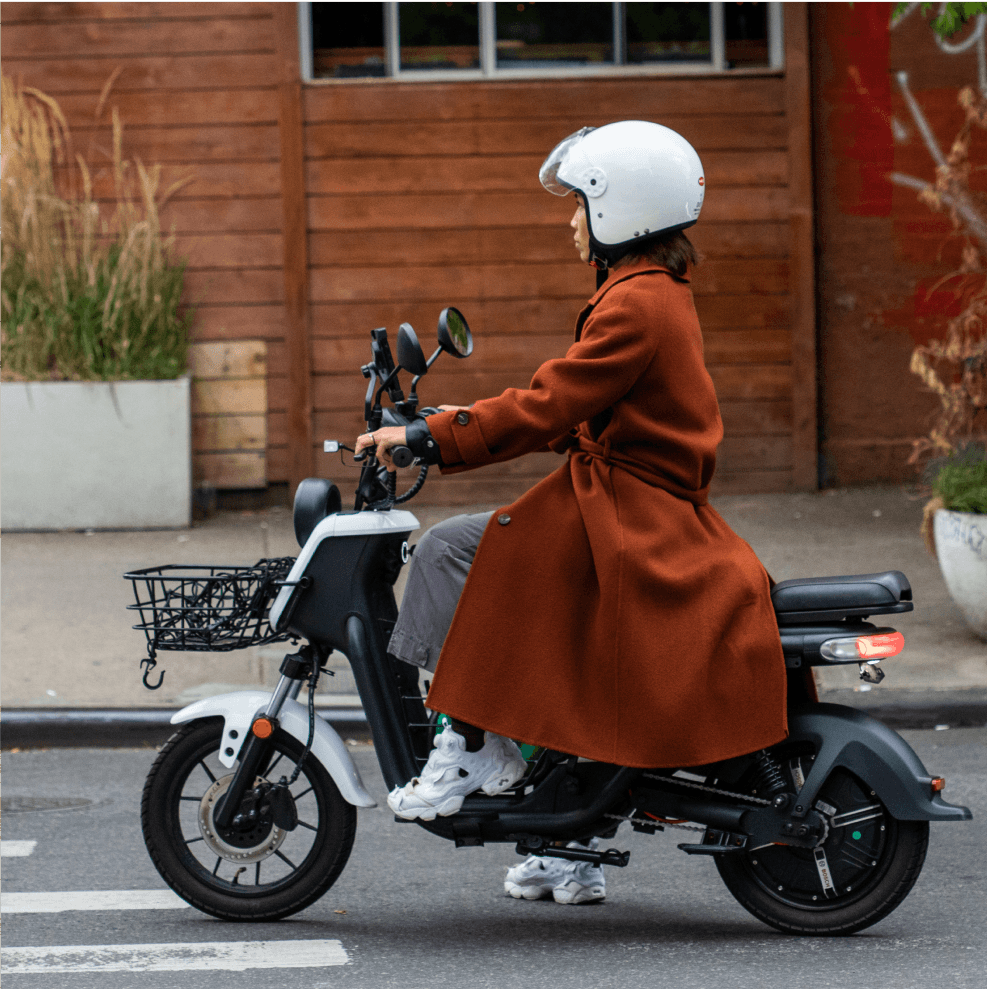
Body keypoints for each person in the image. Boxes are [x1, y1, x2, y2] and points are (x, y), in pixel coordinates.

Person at [354, 121, 788, 904]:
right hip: (631, 502)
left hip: (628, 513)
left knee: (452, 548)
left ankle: (469, 740)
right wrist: (453, 418)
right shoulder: (651, 293)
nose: (569, 219)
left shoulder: (634, 305)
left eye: (580, 203)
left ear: (621, 211)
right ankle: (568, 840)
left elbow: (548, 402)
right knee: (549, 630)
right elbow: (571, 408)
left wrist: (428, 436)